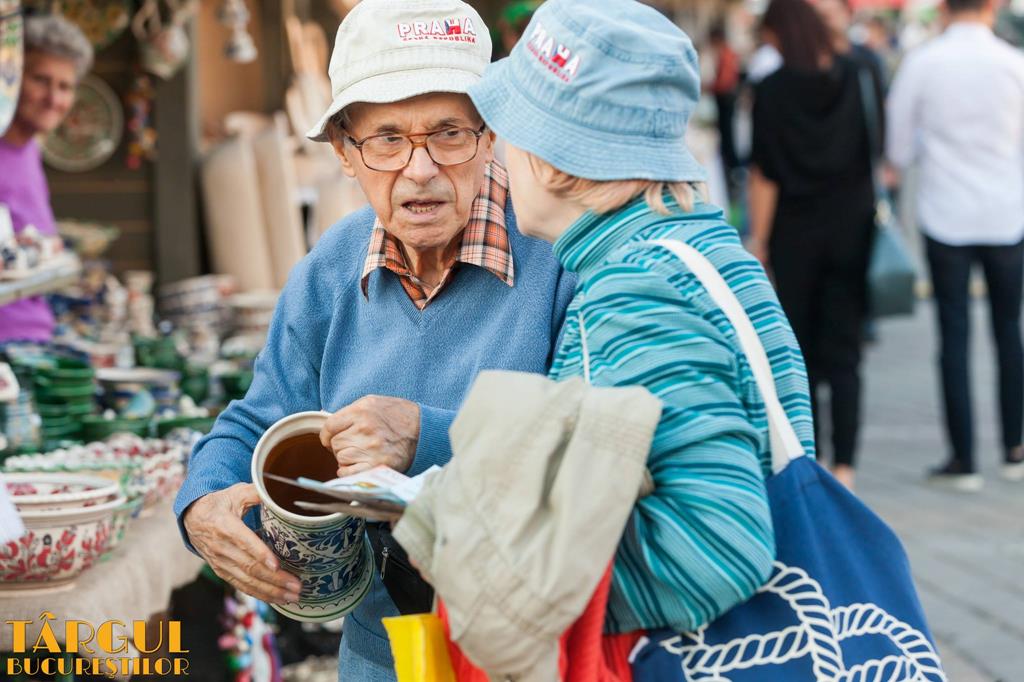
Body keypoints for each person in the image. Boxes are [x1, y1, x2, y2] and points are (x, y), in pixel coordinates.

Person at [173, 0, 575, 678]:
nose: (419, 168)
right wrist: (202, 501)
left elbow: (596, 445)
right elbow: (257, 422)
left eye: (449, 133)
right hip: (380, 654)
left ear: (489, 136)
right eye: (387, 139)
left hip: (534, 651)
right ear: (344, 152)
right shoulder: (330, 269)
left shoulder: (561, 259)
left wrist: (428, 435)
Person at [467, 0, 815, 643]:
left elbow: (717, 551)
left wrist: (529, 590)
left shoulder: (632, 290)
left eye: (506, 131)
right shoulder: (704, 251)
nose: (496, 154)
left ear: (552, 162)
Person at [886, 0, 1024, 491]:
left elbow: (898, 148)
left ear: (945, 7)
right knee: (1009, 330)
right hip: (1007, 213)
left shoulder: (925, 62)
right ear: (992, 7)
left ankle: (963, 459)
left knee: (954, 335)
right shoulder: (1014, 63)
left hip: (946, 211)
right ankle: (1014, 447)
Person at [745, 0, 879, 491]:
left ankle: (813, 459)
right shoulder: (860, 74)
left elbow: (764, 174)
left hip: (794, 235)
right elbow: (877, 150)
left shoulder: (771, 89)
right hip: (853, 230)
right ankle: (846, 466)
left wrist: (758, 240)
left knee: (797, 349)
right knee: (845, 351)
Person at [0, 15, 92, 342]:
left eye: (65, 86)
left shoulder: (28, 149)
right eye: (41, 80)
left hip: (37, 336)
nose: (54, 99)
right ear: (11, 77)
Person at [706, 24, 741, 186]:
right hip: (725, 98)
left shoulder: (726, 55)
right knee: (727, 133)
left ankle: (732, 167)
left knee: (727, 134)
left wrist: (710, 87)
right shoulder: (726, 53)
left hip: (725, 99)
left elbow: (725, 81)